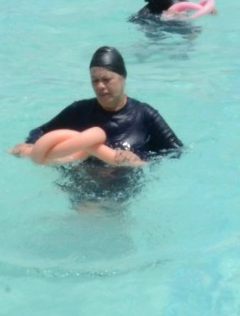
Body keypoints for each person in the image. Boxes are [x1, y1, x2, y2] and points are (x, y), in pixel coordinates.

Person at [10, 48, 182, 205]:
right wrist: (31, 145)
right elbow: (40, 132)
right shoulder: (79, 111)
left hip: (121, 192)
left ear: (123, 78)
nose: (100, 86)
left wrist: (139, 159)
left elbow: (176, 152)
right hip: (80, 187)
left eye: (107, 79)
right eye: (95, 81)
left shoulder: (144, 115)